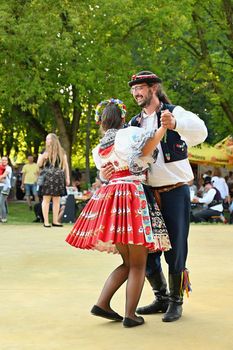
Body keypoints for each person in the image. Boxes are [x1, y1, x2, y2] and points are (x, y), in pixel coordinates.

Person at [102, 71, 208, 322]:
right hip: (144, 194)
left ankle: (176, 301)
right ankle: (160, 297)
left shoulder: (174, 112)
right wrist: (109, 170)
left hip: (174, 190)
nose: (136, 92)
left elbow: (201, 132)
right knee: (146, 250)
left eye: (140, 87)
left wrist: (176, 124)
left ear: (154, 88)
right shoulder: (132, 125)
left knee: (176, 249)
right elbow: (122, 157)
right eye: (133, 89)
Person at [66, 98, 171, 328]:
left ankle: (102, 303)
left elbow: (105, 175)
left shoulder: (98, 149)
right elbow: (148, 147)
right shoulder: (130, 134)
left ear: (101, 123)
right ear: (123, 118)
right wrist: (164, 127)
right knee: (138, 264)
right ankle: (130, 315)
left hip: (112, 198)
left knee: (128, 261)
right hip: (132, 196)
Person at [37, 133, 70, 227]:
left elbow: (65, 165)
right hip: (47, 178)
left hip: (58, 178)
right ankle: (46, 222)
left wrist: (67, 177)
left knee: (57, 200)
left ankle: (55, 221)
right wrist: (43, 156)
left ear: (53, 140)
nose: (46, 140)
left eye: (48, 139)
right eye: (46, 139)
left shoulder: (61, 151)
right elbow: (39, 165)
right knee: (46, 199)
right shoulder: (44, 151)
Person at [0, 156, 13, 223]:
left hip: (6, 187)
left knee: (1, 202)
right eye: (2, 160)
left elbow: (4, 176)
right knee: (2, 203)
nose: (3, 161)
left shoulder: (8, 168)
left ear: (7, 161)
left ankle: (4, 218)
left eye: (5, 160)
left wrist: (1, 178)